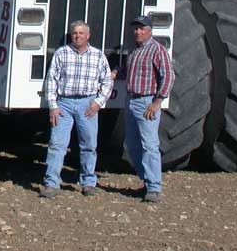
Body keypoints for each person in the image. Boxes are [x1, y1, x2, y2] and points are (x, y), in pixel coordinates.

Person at [40, 20, 113, 199]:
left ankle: (88, 182)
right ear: (70, 35)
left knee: (88, 145)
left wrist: (98, 103)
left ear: (88, 36)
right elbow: (51, 80)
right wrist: (53, 106)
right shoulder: (61, 53)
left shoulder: (98, 56)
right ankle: (51, 183)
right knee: (57, 145)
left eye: (81, 33)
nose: (78, 36)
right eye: (75, 33)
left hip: (87, 104)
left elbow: (107, 81)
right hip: (64, 104)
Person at [112, 15, 175, 203]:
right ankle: (146, 180)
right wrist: (116, 71)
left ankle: (154, 187)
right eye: (136, 28)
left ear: (150, 30)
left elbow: (169, 77)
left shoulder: (158, 50)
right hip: (131, 101)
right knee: (131, 145)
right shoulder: (134, 51)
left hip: (147, 102)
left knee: (149, 145)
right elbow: (129, 70)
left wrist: (157, 102)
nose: (138, 32)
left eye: (142, 28)